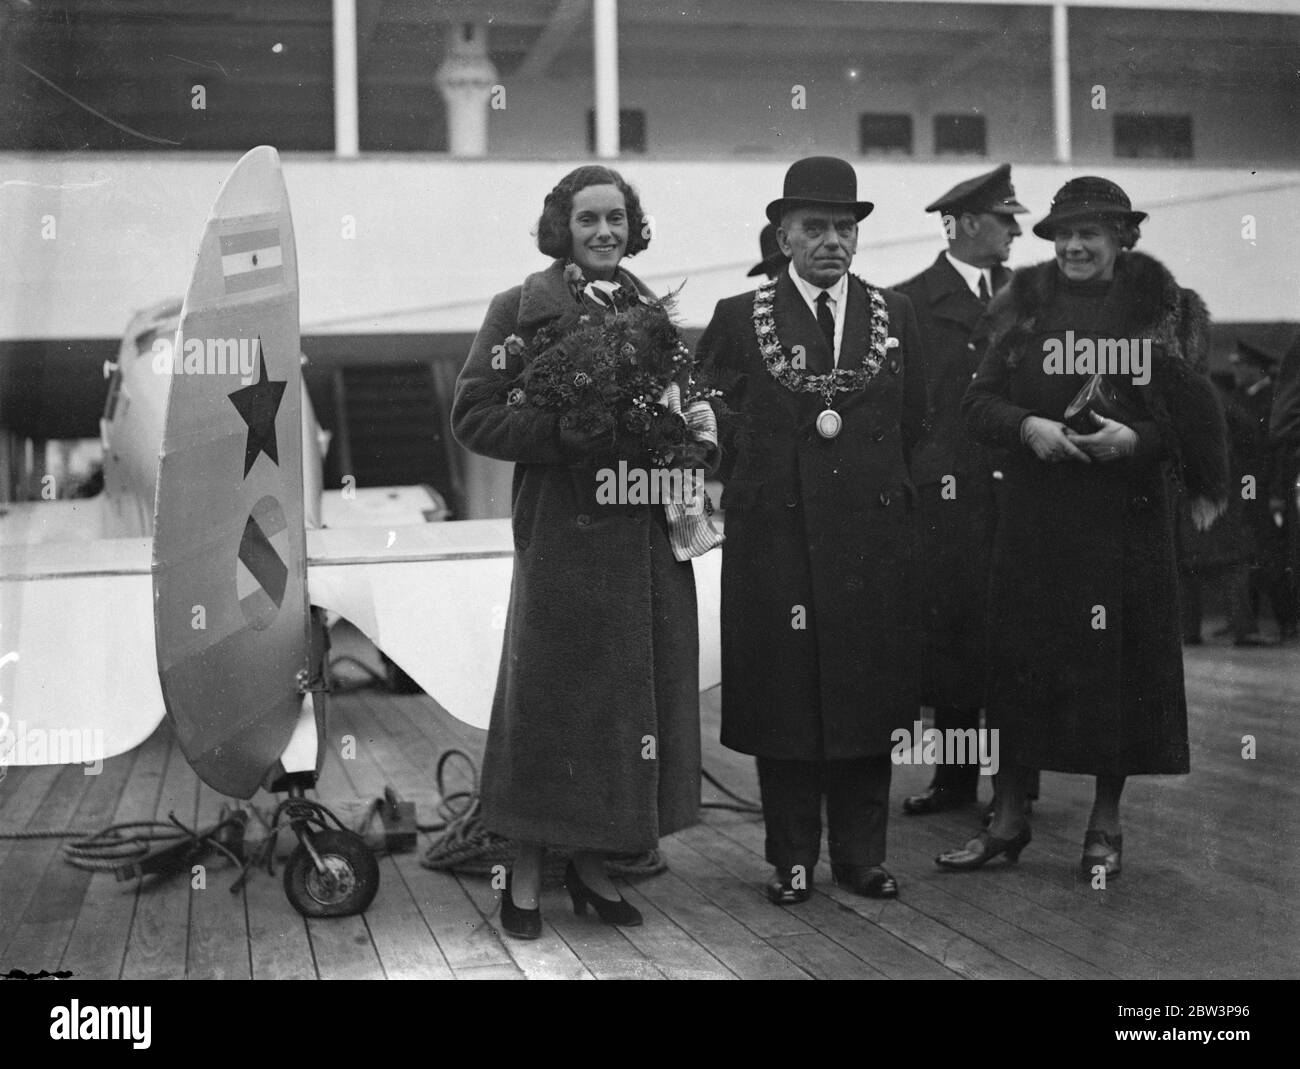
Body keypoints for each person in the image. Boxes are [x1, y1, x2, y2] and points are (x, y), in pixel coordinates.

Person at [940, 176, 1228, 879]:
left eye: (1090, 234)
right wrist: (1027, 425)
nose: (1073, 245)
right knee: (1017, 671)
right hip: (1036, 525)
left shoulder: (1166, 312)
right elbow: (976, 405)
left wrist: (1136, 443)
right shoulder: (1024, 308)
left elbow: (1194, 428)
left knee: (1118, 673)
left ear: (1123, 238)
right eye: (1064, 233)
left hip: (1124, 526)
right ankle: (1008, 819)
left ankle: (1106, 823)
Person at [451, 165, 708, 938]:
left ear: (633, 229)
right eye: (589, 219)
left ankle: (596, 863)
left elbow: (681, 401)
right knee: (552, 698)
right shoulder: (520, 310)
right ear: (562, 226)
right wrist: (561, 435)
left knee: (623, 703)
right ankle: (525, 871)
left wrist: (690, 440)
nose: (604, 232)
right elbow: (473, 415)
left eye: (617, 220)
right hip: (563, 534)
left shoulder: (647, 310)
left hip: (640, 538)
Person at [697, 156, 925, 904]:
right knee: (786, 704)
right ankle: (791, 858)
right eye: (814, 227)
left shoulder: (897, 316)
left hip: (870, 540)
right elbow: (707, 426)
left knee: (866, 699)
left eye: (844, 227)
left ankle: (861, 856)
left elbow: (915, 426)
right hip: (777, 546)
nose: (832, 240)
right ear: (784, 235)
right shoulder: (739, 318)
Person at [893, 163, 1025, 816]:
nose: (1016, 232)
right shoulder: (908, 301)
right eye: (1006, 221)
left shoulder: (1031, 298)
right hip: (946, 496)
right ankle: (953, 778)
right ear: (969, 223)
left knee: (1017, 636)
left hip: (1022, 490)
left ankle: (1016, 782)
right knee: (951, 636)